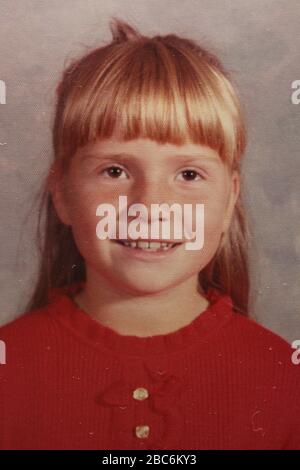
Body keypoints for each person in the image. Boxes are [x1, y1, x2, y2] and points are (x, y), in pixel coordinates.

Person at [0, 17, 299, 450]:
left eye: (190, 174)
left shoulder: (283, 378)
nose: (151, 206)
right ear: (62, 193)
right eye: (115, 170)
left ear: (230, 197)